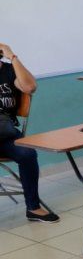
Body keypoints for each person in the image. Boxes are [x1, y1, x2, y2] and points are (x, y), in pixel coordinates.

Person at [0, 43, 58, 222]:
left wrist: (12, 57)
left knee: (27, 153)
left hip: (6, 135)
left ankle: (33, 208)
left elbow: (30, 87)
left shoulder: (10, 71)